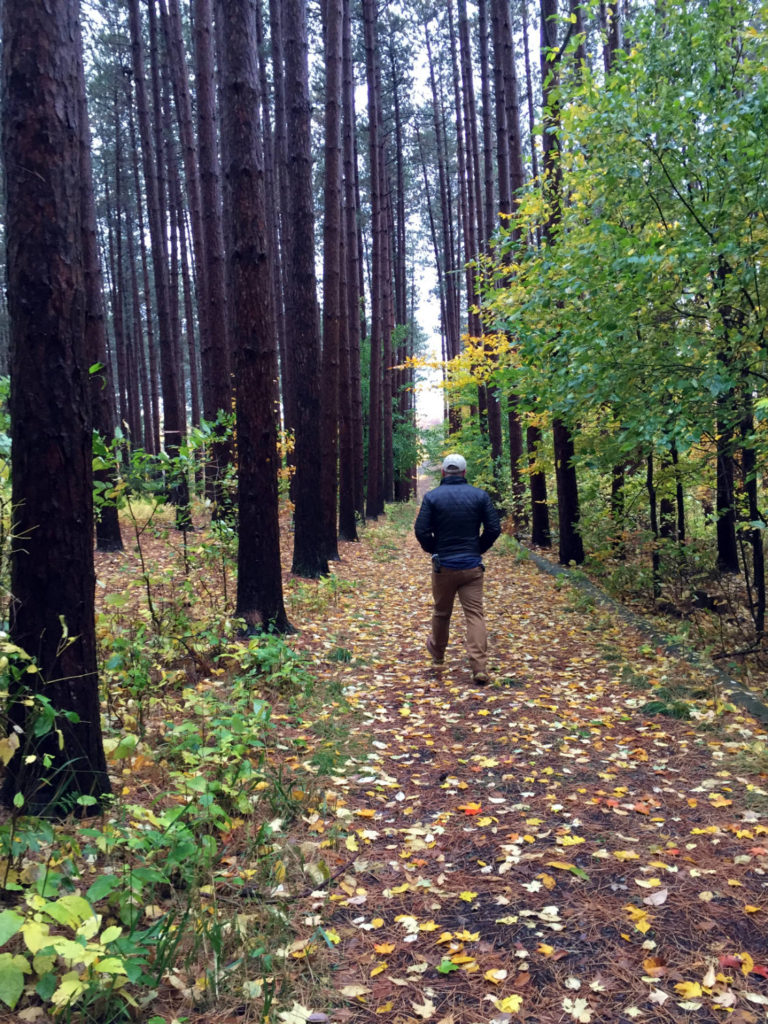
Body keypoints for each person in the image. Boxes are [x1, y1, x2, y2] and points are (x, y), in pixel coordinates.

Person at [414, 453, 501, 684]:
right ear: (464, 473)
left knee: (442, 612)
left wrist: (436, 550)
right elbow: (494, 528)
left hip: (444, 567)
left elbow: (421, 531)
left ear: (443, 472)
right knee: (474, 614)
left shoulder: (432, 497)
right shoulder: (480, 496)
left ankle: (438, 655)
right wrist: (478, 549)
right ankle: (479, 667)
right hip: (472, 566)